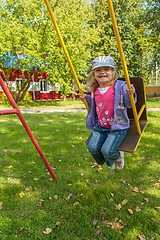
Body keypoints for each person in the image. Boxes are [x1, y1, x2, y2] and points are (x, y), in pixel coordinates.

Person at [80, 56, 136, 170]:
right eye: (98, 70)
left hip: (117, 127)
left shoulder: (120, 87)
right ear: (94, 74)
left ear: (113, 72)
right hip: (100, 126)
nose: (102, 72)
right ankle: (107, 160)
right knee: (92, 147)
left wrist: (130, 93)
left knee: (107, 150)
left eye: (106, 69)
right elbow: (95, 105)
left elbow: (129, 103)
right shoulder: (95, 90)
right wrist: (87, 99)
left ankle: (116, 155)